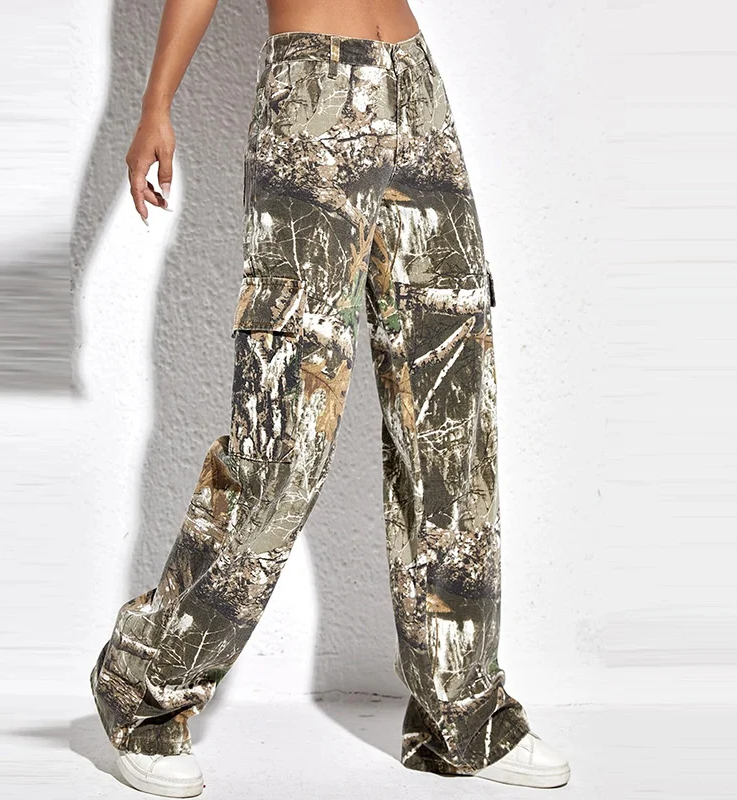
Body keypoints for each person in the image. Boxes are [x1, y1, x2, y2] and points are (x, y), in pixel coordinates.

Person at [89, 0, 572, 796]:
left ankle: (462, 715)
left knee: (452, 423)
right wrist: (155, 105)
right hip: (311, 99)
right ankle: (143, 687)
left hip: (418, 92)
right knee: (284, 440)